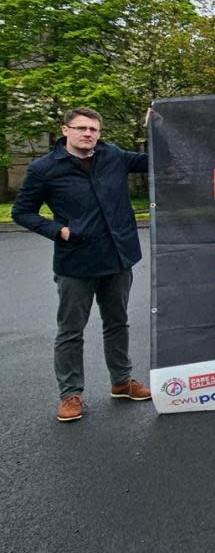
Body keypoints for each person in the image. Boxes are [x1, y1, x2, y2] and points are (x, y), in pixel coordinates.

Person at [12, 108, 152, 422]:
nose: (88, 134)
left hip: (117, 258)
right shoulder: (45, 169)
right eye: (81, 128)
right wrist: (58, 230)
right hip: (76, 262)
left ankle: (121, 381)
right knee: (71, 331)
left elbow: (152, 161)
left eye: (94, 129)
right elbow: (22, 212)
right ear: (66, 130)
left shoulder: (112, 155)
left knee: (117, 323)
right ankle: (70, 394)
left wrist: (156, 127)